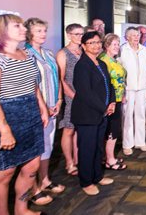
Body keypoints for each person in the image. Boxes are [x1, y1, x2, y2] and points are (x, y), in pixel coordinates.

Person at [0, 14, 49, 215]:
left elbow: (33, 86)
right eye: (17, 26)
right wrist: (5, 130)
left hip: (32, 115)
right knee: (4, 173)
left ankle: (22, 209)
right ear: (2, 31)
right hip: (8, 117)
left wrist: (42, 108)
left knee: (31, 167)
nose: (23, 29)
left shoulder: (26, 54)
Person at [24, 17, 65, 206]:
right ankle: (33, 188)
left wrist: (58, 100)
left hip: (53, 107)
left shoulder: (48, 54)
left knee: (48, 145)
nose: (43, 34)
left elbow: (58, 78)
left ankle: (45, 180)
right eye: (39, 31)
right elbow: (29, 84)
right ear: (29, 33)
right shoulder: (24, 54)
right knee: (35, 149)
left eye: (44, 31)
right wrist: (44, 107)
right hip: (36, 109)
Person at [71, 31, 116, 196]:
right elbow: (85, 93)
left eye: (98, 42)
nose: (96, 45)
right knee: (87, 149)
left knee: (98, 147)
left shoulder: (101, 63)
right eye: (91, 43)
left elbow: (109, 85)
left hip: (101, 114)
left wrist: (111, 102)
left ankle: (97, 176)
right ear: (83, 46)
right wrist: (104, 107)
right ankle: (86, 181)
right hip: (86, 115)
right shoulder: (82, 66)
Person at [119, 27, 146, 155]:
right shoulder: (122, 50)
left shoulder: (144, 50)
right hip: (128, 88)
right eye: (133, 35)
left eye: (137, 34)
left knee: (141, 114)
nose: (136, 37)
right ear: (127, 37)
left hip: (143, 88)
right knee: (127, 116)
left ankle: (140, 142)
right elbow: (119, 72)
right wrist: (121, 91)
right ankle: (127, 144)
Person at [57, 23, 84, 175]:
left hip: (84, 97)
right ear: (69, 35)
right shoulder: (63, 53)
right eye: (76, 34)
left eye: (81, 34)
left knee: (79, 129)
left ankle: (78, 158)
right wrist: (72, 96)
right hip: (71, 97)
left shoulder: (83, 50)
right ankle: (69, 163)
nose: (80, 37)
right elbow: (61, 79)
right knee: (69, 129)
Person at [99, 34, 127, 170]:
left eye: (118, 44)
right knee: (111, 130)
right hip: (110, 101)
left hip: (117, 98)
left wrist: (123, 94)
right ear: (106, 45)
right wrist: (111, 102)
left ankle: (107, 156)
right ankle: (110, 160)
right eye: (114, 44)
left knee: (112, 129)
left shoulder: (114, 60)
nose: (117, 47)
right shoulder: (103, 60)